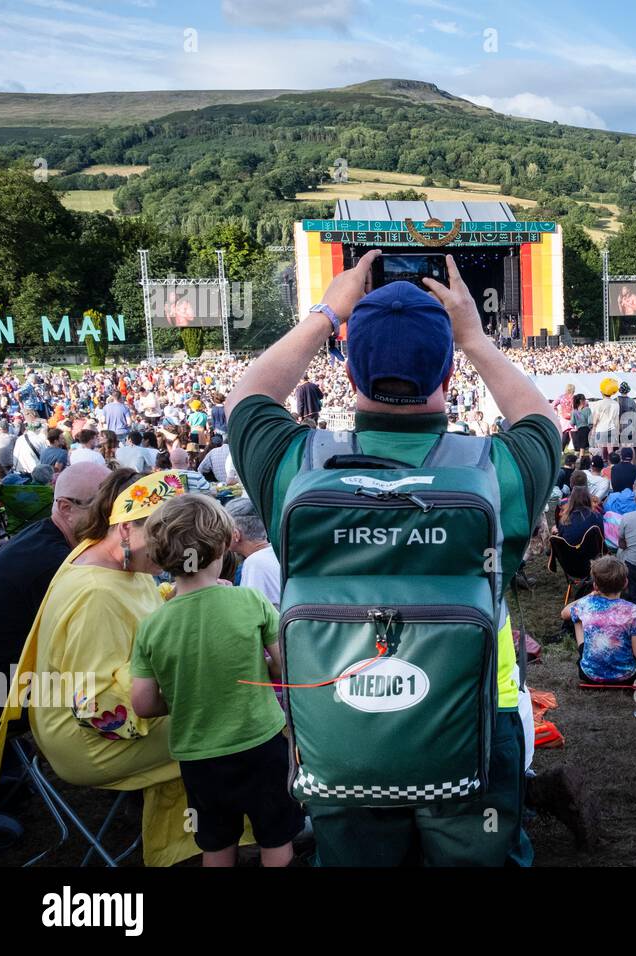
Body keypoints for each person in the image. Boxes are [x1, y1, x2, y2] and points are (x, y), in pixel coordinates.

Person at [225, 250, 558, 867]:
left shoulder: (297, 465)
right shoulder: (498, 471)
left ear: (348, 370)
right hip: (473, 723)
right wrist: (476, 338)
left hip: (342, 731)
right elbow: (540, 420)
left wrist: (327, 313)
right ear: (450, 373)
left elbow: (247, 399)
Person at [0, 469, 200, 867]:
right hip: (88, 738)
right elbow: (101, 708)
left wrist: (184, 598)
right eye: (164, 540)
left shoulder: (111, 558)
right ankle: (244, 832)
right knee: (231, 724)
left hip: (80, 715)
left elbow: (139, 610)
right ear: (125, 528)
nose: (173, 554)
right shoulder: (97, 592)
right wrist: (192, 677)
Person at [130, 495, 303, 866]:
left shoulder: (152, 625)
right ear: (226, 542)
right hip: (261, 744)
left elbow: (142, 703)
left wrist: (183, 694)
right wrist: (260, 668)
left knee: (215, 842)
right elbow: (286, 665)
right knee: (276, 835)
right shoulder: (251, 601)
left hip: (199, 757)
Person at [0, 462, 109, 725]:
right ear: (66, 508)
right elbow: (86, 645)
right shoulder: (55, 563)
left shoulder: (43, 535)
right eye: (104, 507)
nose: (114, 517)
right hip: (5, 693)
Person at [562, 556, 636, 685]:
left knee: (576, 617)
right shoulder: (633, 611)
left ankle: (589, 657)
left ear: (595, 585)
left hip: (589, 674)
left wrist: (590, 595)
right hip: (627, 676)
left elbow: (564, 613)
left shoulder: (586, 604)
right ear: (625, 583)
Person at [225, 497, 281, 606]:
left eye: (224, 529)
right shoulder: (275, 552)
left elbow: (250, 609)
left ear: (236, 535)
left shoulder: (255, 563)